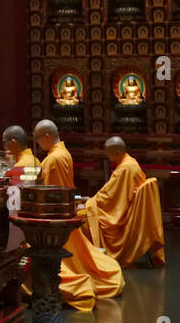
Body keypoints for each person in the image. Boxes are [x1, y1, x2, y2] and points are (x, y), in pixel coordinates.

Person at [33, 120, 125, 310]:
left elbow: (49, 193)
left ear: (47, 137)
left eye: (38, 140)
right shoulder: (62, 153)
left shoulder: (53, 159)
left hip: (57, 217)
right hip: (66, 212)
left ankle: (75, 286)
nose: (38, 144)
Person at [81, 137, 165, 267]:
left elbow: (110, 196)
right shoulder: (129, 162)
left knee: (82, 216)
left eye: (108, 152)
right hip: (126, 209)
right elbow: (113, 192)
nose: (106, 155)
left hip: (124, 215)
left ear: (118, 152)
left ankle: (92, 259)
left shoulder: (125, 168)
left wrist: (91, 201)